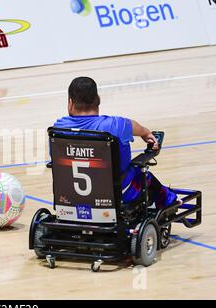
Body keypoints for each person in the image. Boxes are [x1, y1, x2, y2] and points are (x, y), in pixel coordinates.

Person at [54, 76, 179, 209]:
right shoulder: (115, 125)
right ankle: (168, 201)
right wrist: (146, 133)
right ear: (98, 100)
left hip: (71, 195)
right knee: (142, 174)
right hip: (116, 194)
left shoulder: (57, 129)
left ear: (70, 103)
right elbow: (136, 127)